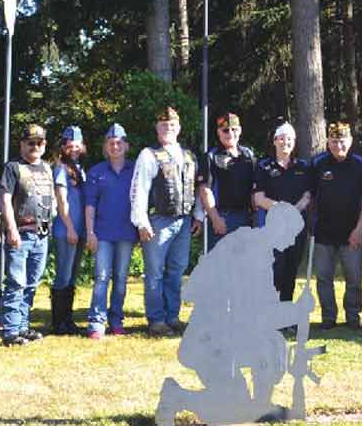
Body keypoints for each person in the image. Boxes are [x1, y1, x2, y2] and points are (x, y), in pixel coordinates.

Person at [157, 203, 314, 425]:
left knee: (271, 344)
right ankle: (176, 397)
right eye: (291, 235)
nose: (291, 242)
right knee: (234, 408)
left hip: (226, 335)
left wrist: (293, 311)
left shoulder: (256, 248)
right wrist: (296, 311)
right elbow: (257, 315)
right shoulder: (251, 254)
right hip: (211, 341)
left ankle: (259, 406)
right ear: (279, 227)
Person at [130, 106, 201, 336]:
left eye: (171, 125)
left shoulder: (189, 155)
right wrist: (141, 221)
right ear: (156, 128)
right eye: (163, 125)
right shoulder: (148, 154)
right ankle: (156, 320)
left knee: (176, 271)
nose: (167, 129)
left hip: (184, 221)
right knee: (155, 272)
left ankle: (172, 317)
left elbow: (197, 188)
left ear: (178, 128)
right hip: (158, 220)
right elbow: (139, 189)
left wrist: (198, 215)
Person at [311, 121, 362, 330]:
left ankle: (353, 317)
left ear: (351, 141)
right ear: (328, 141)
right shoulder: (317, 163)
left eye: (343, 141)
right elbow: (309, 196)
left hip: (352, 233)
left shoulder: (361, 164)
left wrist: (359, 228)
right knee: (323, 278)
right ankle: (328, 318)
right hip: (323, 233)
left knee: (354, 278)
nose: (339, 145)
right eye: (334, 141)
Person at [0, 123, 57, 346]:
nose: (35, 146)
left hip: (41, 234)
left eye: (39, 142)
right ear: (22, 144)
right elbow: (4, 199)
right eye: (30, 142)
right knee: (16, 282)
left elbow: (51, 198)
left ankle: (23, 326)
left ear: (44, 145)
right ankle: (11, 331)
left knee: (32, 283)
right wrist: (11, 228)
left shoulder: (46, 168)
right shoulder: (13, 167)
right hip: (20, 234)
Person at [84, 123, 136, 339]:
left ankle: (116, 320)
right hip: (102, 233)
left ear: (126, 145)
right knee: (102, 277)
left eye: (119, 143)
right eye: (111, 143)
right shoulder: (96, 172)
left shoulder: (135, 170)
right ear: (106, 147)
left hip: (126, 233)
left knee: (122, 278)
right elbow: (90, 204)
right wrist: (90, 232)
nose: (115, 146)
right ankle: (96, 323)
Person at [253, 122, 312, 302]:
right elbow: (258, 198)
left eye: (289, 139)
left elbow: (307, 195)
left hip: (295, 228)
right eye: (281, 138)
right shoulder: (264, 166)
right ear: (275, 141)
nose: (285, 142)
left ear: (294, 142)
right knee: (274, 270)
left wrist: (293, 212)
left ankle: (286, 312)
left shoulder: (303, 166)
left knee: (291, 269)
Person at [197, 113, 257, 251]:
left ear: (240, 130)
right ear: (219, 132)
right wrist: (215, 218)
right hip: (222, 218)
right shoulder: (211, 156)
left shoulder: (248, 155)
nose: (230, 133)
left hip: (245, 218)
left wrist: (254, 217)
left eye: (234, 129)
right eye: (225, 130)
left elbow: (254, 187)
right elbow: (204, 190)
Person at [50, 125, 87, 335]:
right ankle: (58, 323)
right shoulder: (61, 169)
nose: (74, 148)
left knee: (72, 276)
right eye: (70, 145)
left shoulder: (80, 168)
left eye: (77, 145)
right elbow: (62, 201)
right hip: (67, 230)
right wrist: (71, 228)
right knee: (63, 276)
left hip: (80, 230)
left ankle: (68, 319)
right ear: (63, 146)